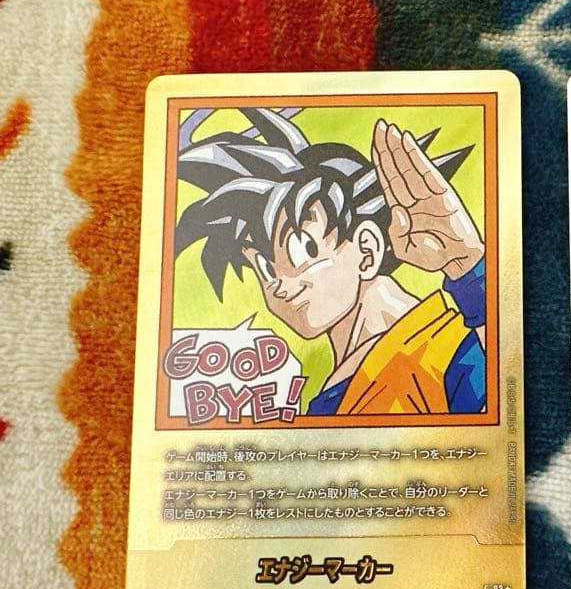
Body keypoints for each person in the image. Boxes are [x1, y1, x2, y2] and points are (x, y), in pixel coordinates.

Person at [174, 108, 486, 415]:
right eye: (265, 270)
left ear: (366, 250)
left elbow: (501, 398)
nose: (279, 285)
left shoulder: (444, 352)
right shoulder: (339, 388)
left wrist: (468, 267)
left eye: (302, 252)